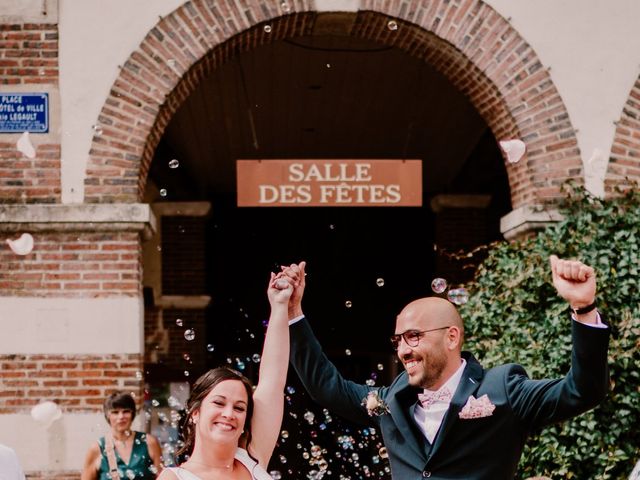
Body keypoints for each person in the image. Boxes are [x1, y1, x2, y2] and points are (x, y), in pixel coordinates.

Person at [282, 256, 610, 479]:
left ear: (451, 337)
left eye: (413, 337)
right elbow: (327, 387)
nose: (403, 351)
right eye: (398, 341)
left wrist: (584, 308)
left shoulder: (502, 389)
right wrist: (293, 311)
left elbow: (583, 390)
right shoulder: (390, 400)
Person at [158, 271, 293, 480]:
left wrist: (280, 305)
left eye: (239, 407)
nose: (229, 414)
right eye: (219, 403)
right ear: (195, 413)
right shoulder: (174, 478)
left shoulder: (253, 459)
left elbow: (272, 380)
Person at [81, 391, 163, 480]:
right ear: (108, 416)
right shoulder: (97, 448)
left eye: (126, 411)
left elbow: (162, 477)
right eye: (115, 412)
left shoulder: (149, 442)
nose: (121, 416)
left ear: (133, 414)